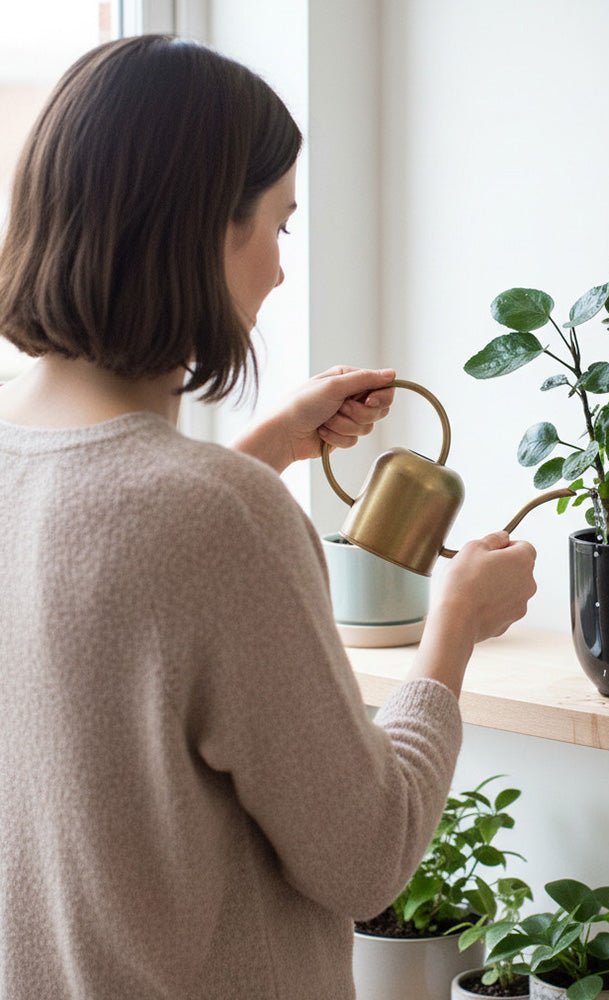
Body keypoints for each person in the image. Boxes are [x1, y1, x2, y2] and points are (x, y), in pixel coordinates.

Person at [0, 34, 537, 1000]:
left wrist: (269, 446)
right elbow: (368, 857)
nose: (283, 274)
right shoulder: (217, 517)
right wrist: (455, 626)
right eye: (281, 226)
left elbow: (113, 577)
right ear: (208, 228)